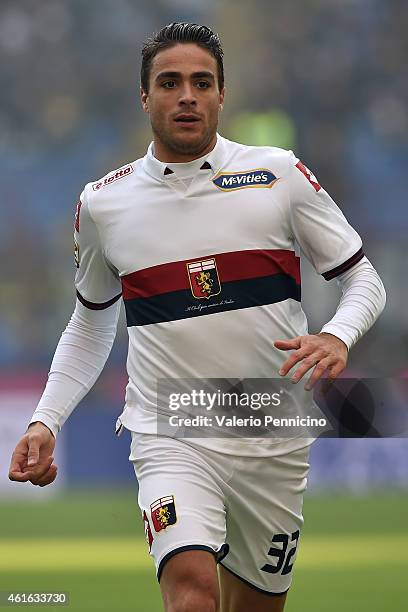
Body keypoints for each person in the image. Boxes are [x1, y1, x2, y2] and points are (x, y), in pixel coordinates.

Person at [9, 22, 386, 612]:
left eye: (201, 82)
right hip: (169, 427)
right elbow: (89, 322)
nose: (186, 94)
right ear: (145, 96)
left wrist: (338, 334)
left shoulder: (278, 174)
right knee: (190, 589)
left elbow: (363, 278)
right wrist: (45, 420)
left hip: (271, 424)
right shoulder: (104, 203)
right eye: (170, 82)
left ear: (221, 94)